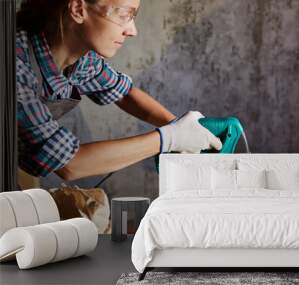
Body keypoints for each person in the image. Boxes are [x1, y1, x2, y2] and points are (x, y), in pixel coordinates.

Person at [16, 0, 222, 181]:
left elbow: (125, 93)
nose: (132, 31)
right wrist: (170, 138)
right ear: (78, 9)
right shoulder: (14, 65)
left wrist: (184, 128)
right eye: (124, 15)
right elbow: (71, 165)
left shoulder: (84, 60)